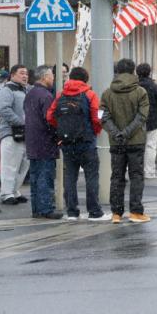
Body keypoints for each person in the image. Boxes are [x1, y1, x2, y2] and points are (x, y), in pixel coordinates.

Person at [46, 66, 103, 220]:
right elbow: (96, 119)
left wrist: (63, 129)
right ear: (86, 79)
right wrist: (95, 131)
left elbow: (50, 116)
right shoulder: (90, 94)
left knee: (70, 177)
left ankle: (72, 211)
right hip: (86, 142)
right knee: (91, 177)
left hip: (67, 142)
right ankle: (94, 212)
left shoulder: (60, 95)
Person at [100, 58, 151, 224]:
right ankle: (136, 211)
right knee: (136, 176)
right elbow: (142, 116)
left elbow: (102, 116)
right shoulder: (140, 92)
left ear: (117, 71)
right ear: (133, 71)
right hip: (136, 140)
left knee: (117, 177)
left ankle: (116, 213)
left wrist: (116, 133)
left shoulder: (107, 93)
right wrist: (127, 132)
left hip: (116, 142)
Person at [0, 64, 30, 206]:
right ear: (12, 75)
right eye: (22, 73)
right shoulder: (7, 90)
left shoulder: (27, 90)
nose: (25, 76)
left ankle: (14, 191)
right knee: (10, 165)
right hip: (11, 133)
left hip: (26, 133)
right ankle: (6, 194)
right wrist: (21, 123)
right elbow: (3, 110)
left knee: (23, 164)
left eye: (27, 74)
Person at [23, 66, 62, 220]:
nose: (53, 79)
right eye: (52, 76)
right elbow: (50, 120)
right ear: (45, 77)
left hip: (32, 141)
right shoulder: (46, 96)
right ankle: (46, 208)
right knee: (45, 177)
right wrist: (58, 136)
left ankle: (37, 209)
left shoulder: (30, 94)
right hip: (45, 141)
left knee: (35, 177)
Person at [136, 63, 157, 179]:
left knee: (137, 146)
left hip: (136, 120)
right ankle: (149, 171)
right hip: (152, 120)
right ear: (149, 73)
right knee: (150, 146)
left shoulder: (135, 87)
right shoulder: (155, 87)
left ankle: (136, 171)